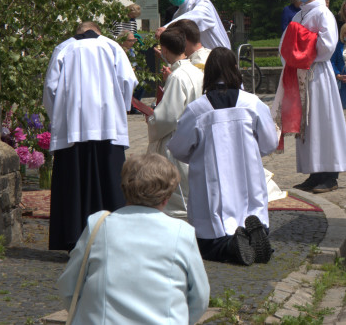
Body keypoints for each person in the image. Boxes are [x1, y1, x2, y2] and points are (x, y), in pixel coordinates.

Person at [57, 154, 210, 324]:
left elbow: (69, 285)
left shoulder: (99, 225)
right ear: (167, 197)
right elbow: (200, 298)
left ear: (124, 187)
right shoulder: (182, 232)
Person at [168, 48, 278, 265]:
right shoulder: (252, 103)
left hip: (211, 183)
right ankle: (255, 234)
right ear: (235, 70)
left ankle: (229, 246)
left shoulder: (198, 109)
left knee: (209, 242)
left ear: (207, 73)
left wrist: (200, 157)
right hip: (248, 179)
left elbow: (178, 148)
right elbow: (270, 142)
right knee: (251, 211)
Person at [43, 21, 138, 251]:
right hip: (108, 125)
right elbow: (128, 81)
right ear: (98, 31)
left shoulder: (64, 48)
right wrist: (120, 109)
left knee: (73, 182)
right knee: (109, 181)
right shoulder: (112, 47)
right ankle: (113, 240)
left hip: (72, 129)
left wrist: (57, 117)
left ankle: (73, 237)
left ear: (77, 32)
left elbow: (50, 88)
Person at [281, 0, 346, 193]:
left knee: (323, 123)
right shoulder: (298, 16)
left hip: (318, 74)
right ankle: (314, 173)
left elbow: (327, 46)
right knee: (308, 126)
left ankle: (330, 175)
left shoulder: (324, 13)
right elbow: (286, 44)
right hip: (301, 75)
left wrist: (302, 46)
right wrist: (292, 54)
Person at [146, 27, 203, 218]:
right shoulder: (194, 71)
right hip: (194, 136)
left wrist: (152, 118)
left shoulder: (177, 77)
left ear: (165, 50)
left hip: (176, 139)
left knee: (176, 198)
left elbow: (168, 117)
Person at [158, 0, 230, 50]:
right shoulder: (177, 15)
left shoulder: (203, 3)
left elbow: (194, 19)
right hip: (199, 61)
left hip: (221, 58)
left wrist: (166, 28)